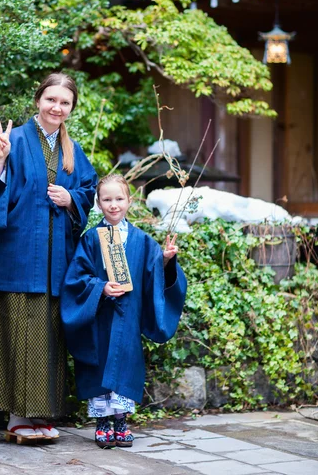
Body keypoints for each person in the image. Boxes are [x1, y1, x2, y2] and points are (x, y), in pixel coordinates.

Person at [0, 73, 97, 441]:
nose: (57, 107)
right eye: (51, 99)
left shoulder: (73, 150)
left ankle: (40, 416)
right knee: (16, 331)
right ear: (38, 99)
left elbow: (88, 189)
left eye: (65, 102)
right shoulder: (13, 139)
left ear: (71, 108)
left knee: (47, 335)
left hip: (57, 260)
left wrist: (72, 200)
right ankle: (16, 418)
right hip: (18, 255)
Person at [61, 174, 187, 449]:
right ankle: (102, 423)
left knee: (124, 364)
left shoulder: (143, 242)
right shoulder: (91, 239)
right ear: (98, 202)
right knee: (99, 364)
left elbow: (155, 277)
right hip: (99, 317)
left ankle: (120, 421)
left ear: (130, 201)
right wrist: (100, 287)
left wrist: (166, 261)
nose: (113, 205)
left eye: (119, 199)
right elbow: (76, 278)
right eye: (107, 199)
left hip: (128, 317)